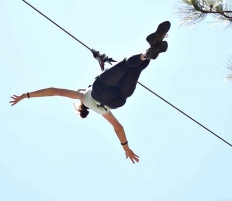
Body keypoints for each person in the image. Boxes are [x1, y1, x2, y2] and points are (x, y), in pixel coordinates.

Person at [10, 21, 171, 164]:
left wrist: (126, 148)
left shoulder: (102, 112)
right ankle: (146, 53)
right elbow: (53, 91)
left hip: (115, 101)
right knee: (126, 64)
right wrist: (27, 95)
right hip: (100, 88)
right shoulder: (82, 95)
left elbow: (119, 128)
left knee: (136, 69)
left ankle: (150, 51)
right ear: (80, 104)